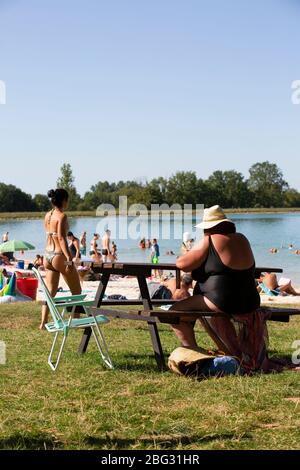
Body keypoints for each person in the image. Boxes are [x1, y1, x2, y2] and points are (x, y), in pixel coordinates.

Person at [169, 205, 261, 364]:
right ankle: (231, 351)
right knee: (199, 308)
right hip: (250, 300)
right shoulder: (242, 239)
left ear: (208, 227)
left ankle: (194, 354)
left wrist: (191, 250)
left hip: (222, 301)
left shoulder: (211, 239)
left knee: (174, 312)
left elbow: (182, 264)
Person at [40, 189, 82, 330]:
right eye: (68, 199)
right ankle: (75, 321)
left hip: (47, 255)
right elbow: (61, 239)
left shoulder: (48, 215)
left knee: (51, 292)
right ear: (64, 200)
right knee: (77, 291)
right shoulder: (62, 216)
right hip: (59, 255)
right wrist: (69, 259)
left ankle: (43, 322)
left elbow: (50, 235)